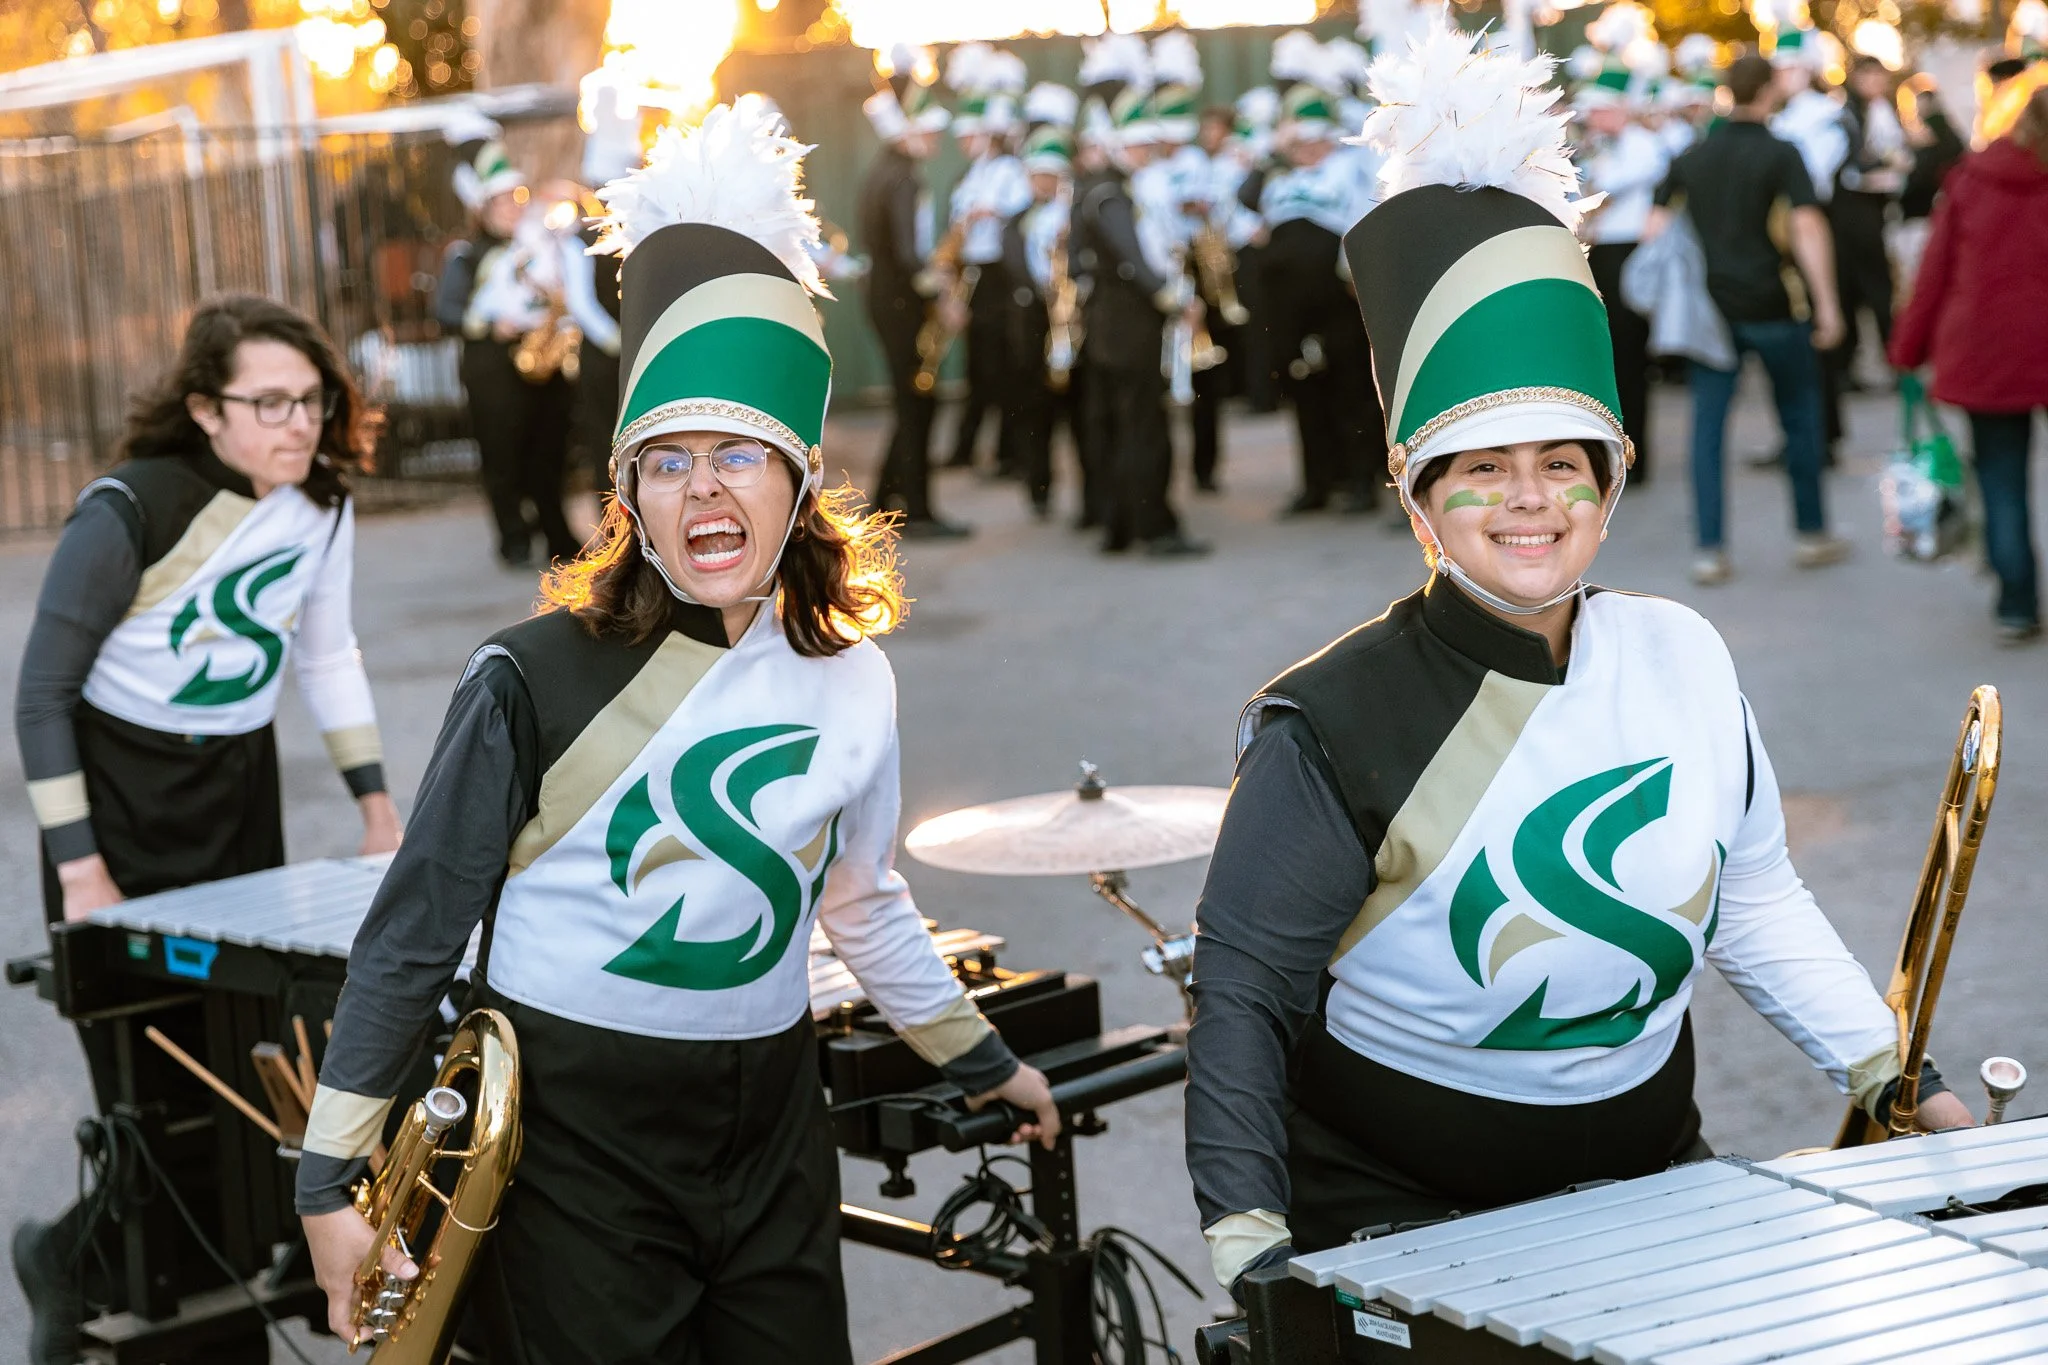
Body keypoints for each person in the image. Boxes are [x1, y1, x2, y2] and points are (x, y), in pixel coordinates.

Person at [1182, 16, 1975, 1303]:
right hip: (1395, 1212)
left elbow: (1751, 900)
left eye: (1562, 463)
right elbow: (1244, 991)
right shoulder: (1327, 718)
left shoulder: (1680, 650)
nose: (1526, 499)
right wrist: (1245, 1235)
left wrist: (1897, 1076)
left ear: (1606, 491)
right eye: (1481, 468)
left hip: (1649, 1181)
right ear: (1418, 501)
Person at [296, 99, 1057, 1362]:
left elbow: (862, 903)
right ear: (630, 499)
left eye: (738, 456)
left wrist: (983, 1063)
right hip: (572, 1135)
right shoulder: (527, 676)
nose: (703, 486)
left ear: (797, 483)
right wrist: (329, 1179)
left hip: (770, 1122)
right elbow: (417, 926)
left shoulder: (853, 677)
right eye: (667, 461)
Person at [11, 295, 399, 1363]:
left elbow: (326, 653)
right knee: (151, 1091)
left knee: (248, 1082)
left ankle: (240, 1288)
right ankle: (72, 1260)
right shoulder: (128, 508)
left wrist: (375, 805)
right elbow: (42, 694)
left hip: (236, 791)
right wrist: (81, 870)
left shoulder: (322, 502)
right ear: (205, 409)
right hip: (119, 805)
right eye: (268, 402)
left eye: (310, 400)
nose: (298, 423)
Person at [1650, 51, 1852, 586]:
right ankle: (1811, 534)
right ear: (1765, 91)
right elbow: (1807, 227)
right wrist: (1828, 305)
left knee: (1708, 428)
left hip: (1710, 310)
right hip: (1776, 303)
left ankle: (1709, 549)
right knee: (1799, 416)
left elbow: (1655, 227)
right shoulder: (1782, 152)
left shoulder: (1693, 155)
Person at [1890, 84, 2048, 644]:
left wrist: (1908, 349)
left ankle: (2017, 605)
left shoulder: (1973, 180)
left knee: (2002, 479)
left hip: (1990, 351)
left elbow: (1934, 273)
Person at [1074, 67, 1211, 557]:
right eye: (1139, 144)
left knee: (1120, 425)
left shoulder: (1097, 186)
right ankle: (1154, 528)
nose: (1147, 151)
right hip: (1127, 327)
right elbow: (1132, 260)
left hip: (1109, 325)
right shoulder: (1110, 193)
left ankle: (1121, 526)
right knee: (1143, 427)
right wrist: (1176, 300)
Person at [435, 133, 582, 569]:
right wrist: (490, 326)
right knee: (503, 455)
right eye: (500, 201)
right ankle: (512, 536)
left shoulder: (539, 245)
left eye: (517, 198)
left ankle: (557, 533)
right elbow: (446, 312)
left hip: (542, 359)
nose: (512, 208)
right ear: (483, 208)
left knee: (549, 452)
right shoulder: (466, 255)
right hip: (493, 365)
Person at [1259, 37, 1383, 519]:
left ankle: (1361, 480)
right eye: (1298, 141)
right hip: (1290, 304)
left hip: (1336, 297)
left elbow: (1365, 215)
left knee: (1350, 388)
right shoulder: (1278, 178)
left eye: (1314, 139)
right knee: (1305, 392)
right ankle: (1316, 482)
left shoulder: (1350, 168)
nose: (1307, 148)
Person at [858, 48, 970, 539]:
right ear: (908, 131)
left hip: (887, 299)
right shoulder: (903, 178)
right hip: (901, 303)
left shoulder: (885, 170)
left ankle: (886, 500)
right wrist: (944, 296)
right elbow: (909, 256)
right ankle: (917, 512)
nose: (936, 140)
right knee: (919, 401)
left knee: (911, 400)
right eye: (929, 131)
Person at [940, 45, 1032, 478]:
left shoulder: (1010, 170)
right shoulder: (971, 174)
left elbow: (1020, 213)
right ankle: (967, 445)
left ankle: (1011, 452)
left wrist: (991, 213)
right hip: (974, 275)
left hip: (1000, 276)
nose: (963, 144)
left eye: (970, 135)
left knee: (1006, 367)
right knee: (979, 366)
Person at [1578, 64, 1671, 486]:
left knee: (1630, 360)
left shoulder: (1644, 144)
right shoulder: (1597, 145)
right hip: (1598, 253)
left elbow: (1604, 188)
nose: (1593, 117)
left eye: (1600, 109)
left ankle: (1636, 458)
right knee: (1604, 359)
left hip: (1628, 253)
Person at [1001, 84, 1080, 519]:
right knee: (1035, 410)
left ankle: (1092, 499)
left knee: (1080, 411)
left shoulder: (1073, 217)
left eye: (1049, 175)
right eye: (1035, 175)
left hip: (1071, 320)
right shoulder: (1016, 222)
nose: (1041, 182)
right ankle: (1039, 488)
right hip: (1033, 322)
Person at [1831, 56, 1912, 386]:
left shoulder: (1879, 111)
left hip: (1873, 210)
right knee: (1856, 289)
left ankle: (1892, 361)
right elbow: (1854, 165)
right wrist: (1886, 162)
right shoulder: (1847, 113)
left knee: (1876, 289)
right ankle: (1849, 365)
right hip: (1852, 213)